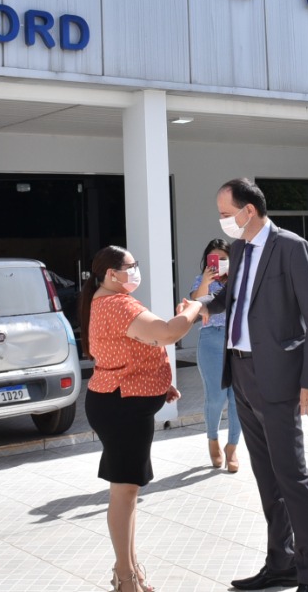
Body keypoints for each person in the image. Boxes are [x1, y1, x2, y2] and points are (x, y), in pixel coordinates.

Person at [185, 178, 308, 592]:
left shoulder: (291, 247)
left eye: (226, 213)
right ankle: (281, 562)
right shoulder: (239, 249)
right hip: (243, 376)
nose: (222, 221)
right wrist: (204, 306)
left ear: (249, 211)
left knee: (292, 477)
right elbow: (234, 296)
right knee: (267, 478)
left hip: (280, 376)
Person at [80, 245, 204, 592]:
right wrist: (194, 307)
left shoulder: (105, 301)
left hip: (123, 399)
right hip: (121, 405)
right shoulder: (117, 304)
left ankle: (130, 571)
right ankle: (124, 576)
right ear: (111, 275)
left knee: (128, 490)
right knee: (124, 491)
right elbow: (166, 332)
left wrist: (158, 384)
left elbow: (128, 349)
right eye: (131, 267)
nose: (136, 271)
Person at [188, 238, 241, 472]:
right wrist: (207, 283)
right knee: (216, 397)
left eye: (224, 259)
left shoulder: (239, 279)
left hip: (238, 340)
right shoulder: (202, 280)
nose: (219, 263)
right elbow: (194, 304)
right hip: (211, 339)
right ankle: (212, 440)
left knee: (238, 398)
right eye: (214, 259)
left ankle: (232, 447)